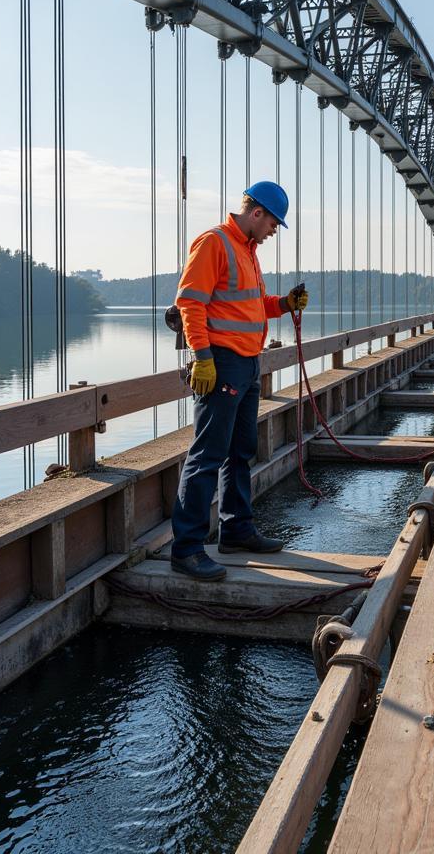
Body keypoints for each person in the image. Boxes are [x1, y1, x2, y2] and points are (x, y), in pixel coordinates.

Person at [170, 182, 309, 581]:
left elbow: (250, 306)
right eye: (273, 225)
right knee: (208, 455)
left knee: (240, 451)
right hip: (222, 362)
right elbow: (190, 302)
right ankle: (187, 548)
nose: (273, 233)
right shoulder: (215, 242)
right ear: (257, 213)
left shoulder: (247, 251)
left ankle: (236, 529)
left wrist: (282, 304)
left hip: (248, 364)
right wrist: (202, 357)